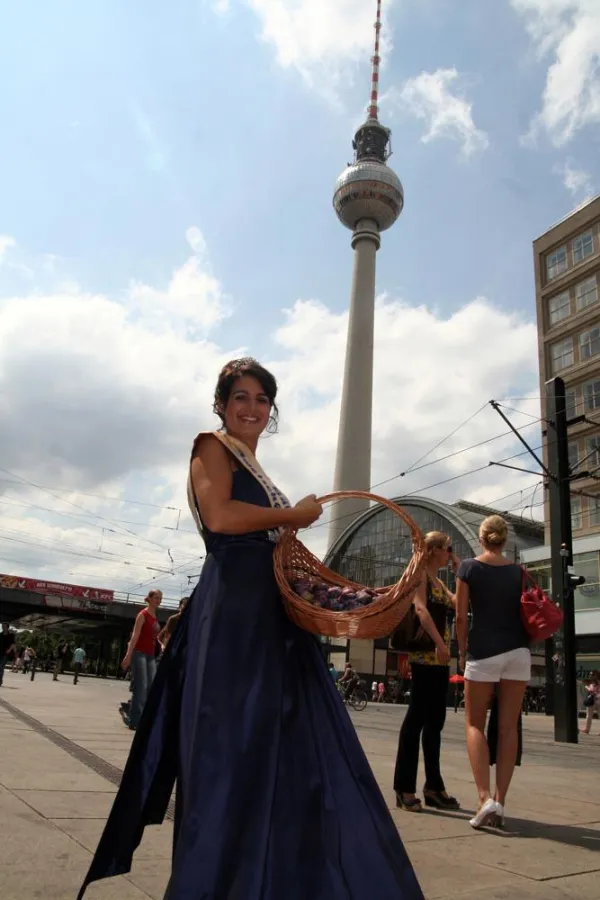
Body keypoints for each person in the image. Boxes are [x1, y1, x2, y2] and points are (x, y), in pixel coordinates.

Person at [77, 357, 424, 900]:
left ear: (271, 411)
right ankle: (219, 881)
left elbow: (285, 554)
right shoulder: (210, 447)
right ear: (220, 403)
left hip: (269, 618)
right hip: (235, 618)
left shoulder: (257, 469)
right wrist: (292, 516)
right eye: (240, 397)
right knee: (231, 753)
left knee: (284, 755)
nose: (251, 408)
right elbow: (219, 517)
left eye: (262, 400)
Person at [456, 514, 531, 829]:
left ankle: (484, 797)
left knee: (474, 723)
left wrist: (462, 652)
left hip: (483, 651)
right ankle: (500, 802)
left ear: (482, 538)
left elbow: (461, 617)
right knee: (508, 727)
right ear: (504, 539)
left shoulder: (469, 568)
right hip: (518, 652)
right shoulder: (519, 572)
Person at [393, 531, 459, 813]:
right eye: (448, 548)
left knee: (435, 723)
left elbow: (459, 603)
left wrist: (458, 569)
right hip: (424, 657)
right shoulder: (420, 575)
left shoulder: (440, 582)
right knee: (416, 721)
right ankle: (404, 787)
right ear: (432, 550)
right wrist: (440, 642)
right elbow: (420, 610)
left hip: (440, 661)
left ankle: (433, 786)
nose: (449, 552)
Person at [120, 590, 162, 730]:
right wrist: (128, 655)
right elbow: (135, 636)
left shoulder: (155, 616)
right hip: (139, 654)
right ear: (149, 599)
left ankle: (144, 717)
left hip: (150, 655)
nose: (159, 600)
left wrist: (161, 645)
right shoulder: (142, 615)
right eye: (156, 597)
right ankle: (135, 721)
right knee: (141, 687)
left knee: (151, 686)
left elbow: (154, 637)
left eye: (160, 598)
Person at [580, 670, 600, 735]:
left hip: (598, 702)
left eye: (592, 674)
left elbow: (593, 691)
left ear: (596, 675)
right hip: (591, 702)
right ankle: (587, 729)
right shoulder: (590, 683)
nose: (590, 676)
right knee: (588, 716)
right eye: (590, 674)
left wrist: (588, 688)